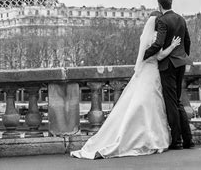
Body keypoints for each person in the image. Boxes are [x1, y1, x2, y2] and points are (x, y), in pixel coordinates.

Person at [71, 17, 181, 159]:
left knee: (142, 104)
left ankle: (140, 136)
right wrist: (172, 46)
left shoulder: (145, 37)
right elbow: (159, 56)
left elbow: (145, 55)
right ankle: (153, 137)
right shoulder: (156, 37)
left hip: (144, 72)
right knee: (153, 106)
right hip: (153, 72)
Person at [143, 0, 194, 150]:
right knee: (177, 101)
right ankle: (188, 140)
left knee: (171, 103)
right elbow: (187, 41)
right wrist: (182, 55)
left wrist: (144, 56)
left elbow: (158, 44)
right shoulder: (181, 18)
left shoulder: (163, 21)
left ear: (159, 5)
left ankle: (177, 141)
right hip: (180, 63)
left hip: (168, 65)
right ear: (171, 3)